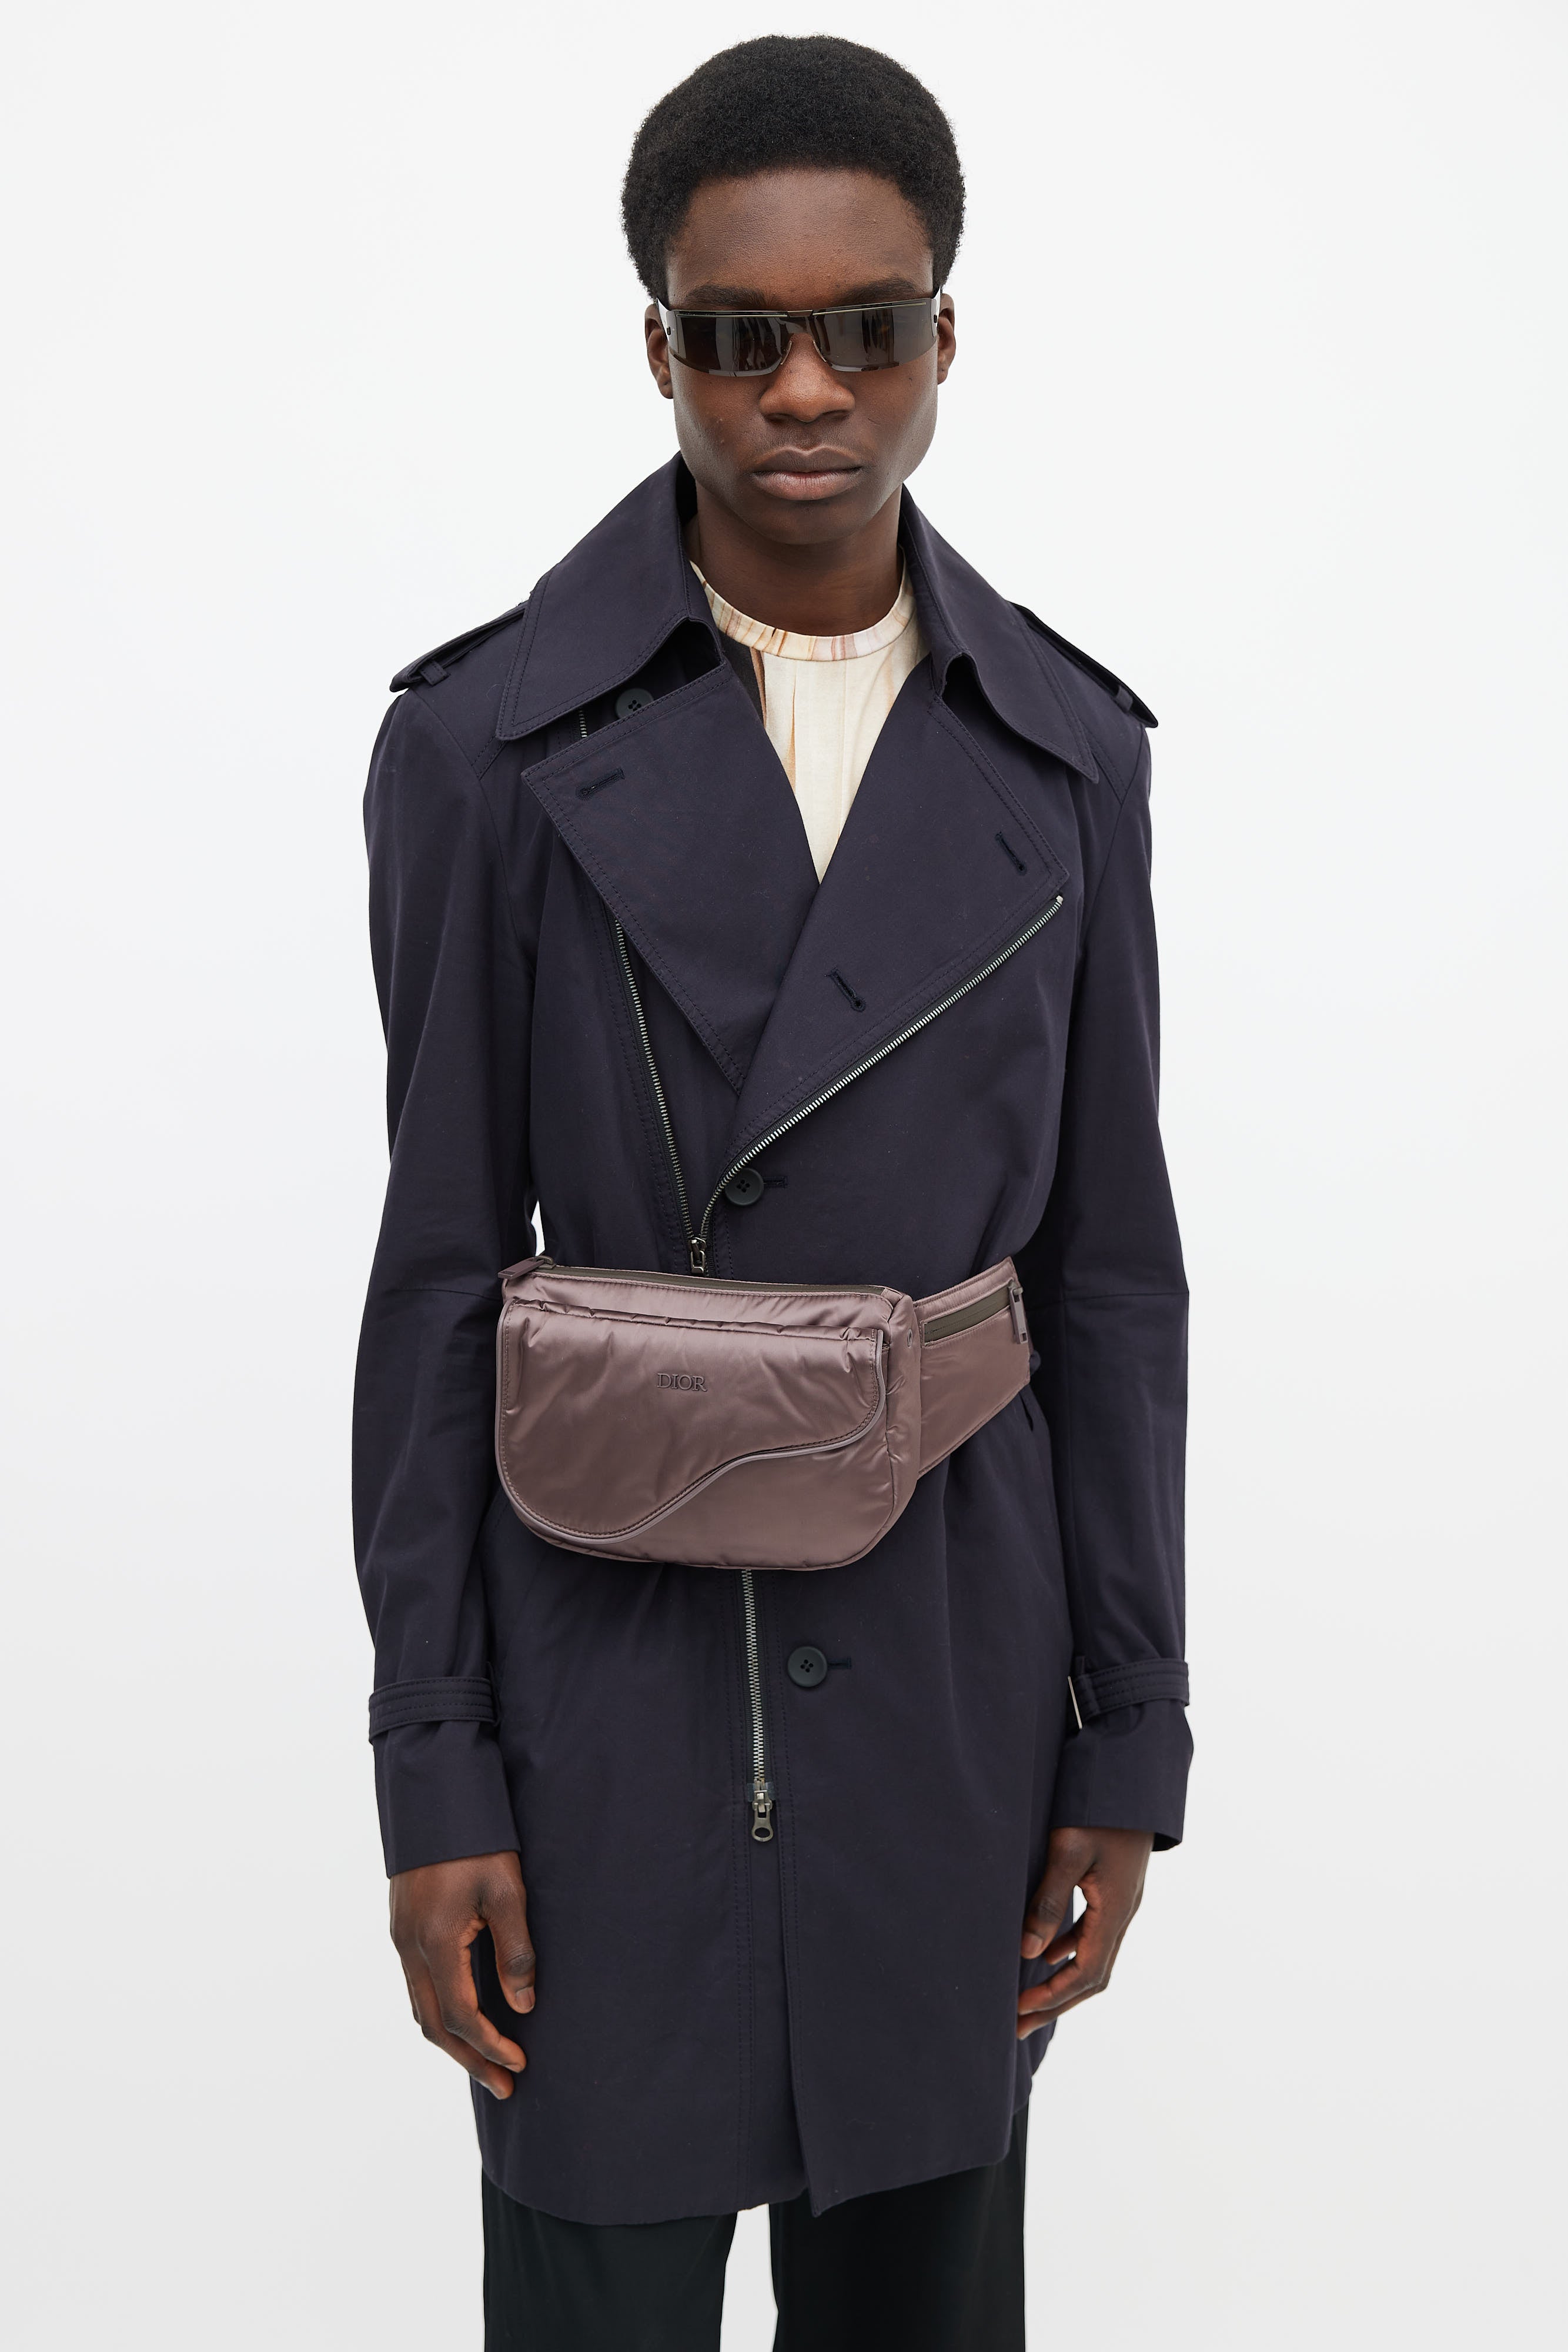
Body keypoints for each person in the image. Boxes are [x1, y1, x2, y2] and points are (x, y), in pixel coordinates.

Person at [354, 35, 1190, 2350]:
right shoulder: (481, 748)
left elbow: (1112, 1278)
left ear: (945, 336)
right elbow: (437, 1275)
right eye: (741, 336)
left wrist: (1126, 1731)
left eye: (864, 327)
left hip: (950, 1672)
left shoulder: (1070, 757)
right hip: (601, 1676)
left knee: (924, 2286)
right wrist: (434, 1770)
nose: (804, 389)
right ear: (660, 350)